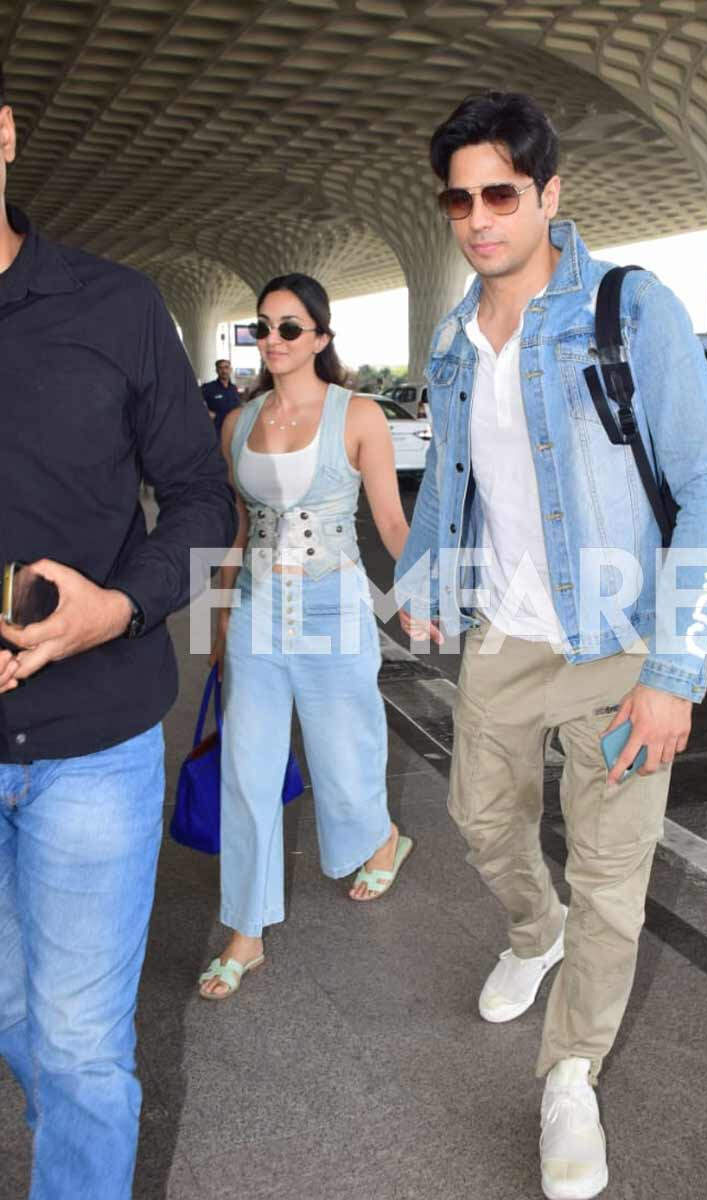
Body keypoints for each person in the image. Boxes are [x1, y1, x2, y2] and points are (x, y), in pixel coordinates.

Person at [396, 92, 707, 1200]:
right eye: (458, 196)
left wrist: (672, 672)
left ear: (550, 194)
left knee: (612, 885)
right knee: (480, 821)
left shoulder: (625, 309)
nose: (477, 217)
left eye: (500, 191)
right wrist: (425, 586)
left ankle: (571, 1075)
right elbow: (454, 486)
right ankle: (528, 928)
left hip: (621, 644)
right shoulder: (455, 340)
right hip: (504, 640)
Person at [0, 66, 236, 1200]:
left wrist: (121, 607)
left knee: (86, 1047)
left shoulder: (118, 305)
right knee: (19, 1020)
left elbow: (204, 506)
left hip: (94, 745)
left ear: (2, 132)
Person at [198, 272, 413, 1000]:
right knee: (247, 769)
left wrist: (412, 594)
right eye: (264, 326)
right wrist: (220, 619)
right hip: (259, 607)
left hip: (332, 605)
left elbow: (388, 522)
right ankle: (246, 931)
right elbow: (234, 531)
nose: (274, 339)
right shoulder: (238, 422)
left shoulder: (359, 416)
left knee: (342, 752)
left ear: (321, 336)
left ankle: (380, 837)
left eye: (291, 327)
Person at [202, 357, 242, 434]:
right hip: (217, 430)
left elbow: (238, 406)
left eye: (226, 367)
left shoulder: (233, 388)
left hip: (233, 429)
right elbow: (195, 401)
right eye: (220, 368)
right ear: (216, 371)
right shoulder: (208, 387)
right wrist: (206, 412)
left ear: (230, 369)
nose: (224, 371)